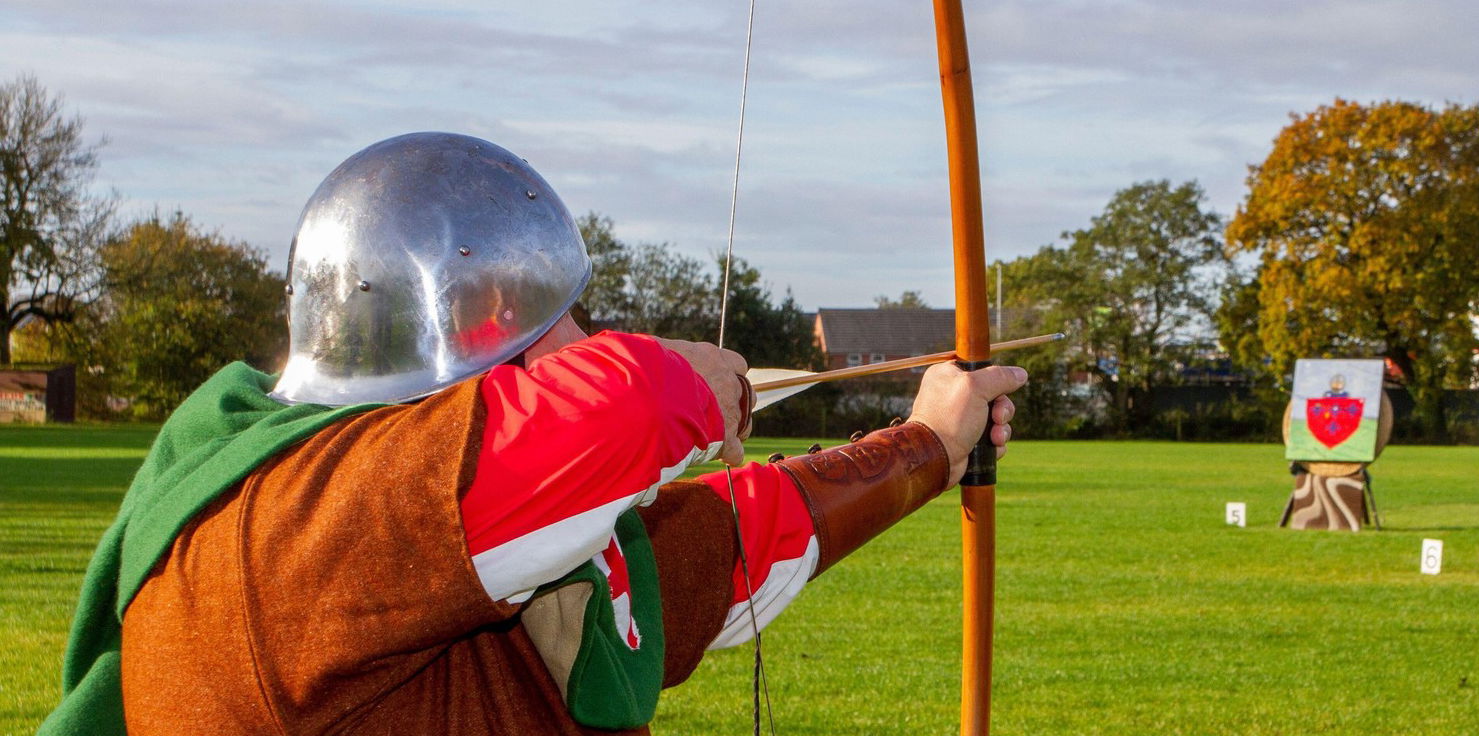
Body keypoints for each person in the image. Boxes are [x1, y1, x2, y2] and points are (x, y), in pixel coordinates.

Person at [40, 132, 1026, 735]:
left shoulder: (531, 560)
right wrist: (688, 376)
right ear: (459, 352)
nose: (586, 337)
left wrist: (928, 444)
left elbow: (736, 541)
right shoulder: (282, 532)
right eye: (555, 318)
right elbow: (619, 410)